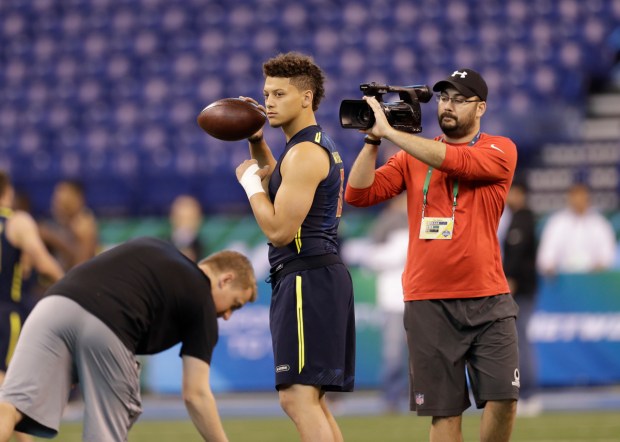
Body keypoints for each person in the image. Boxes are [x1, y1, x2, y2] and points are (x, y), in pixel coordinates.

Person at [345, 68, 519, 441]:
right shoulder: (411, 157)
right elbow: (359, 194)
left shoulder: (500, 149)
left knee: (504, 399)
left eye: (459, 98)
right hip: (429, 302)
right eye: (443, 97)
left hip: (488, 297)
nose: (448, 105)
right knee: (444, 413)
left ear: (481, 107)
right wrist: (373, 142)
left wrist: (394, 134)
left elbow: (456, 162)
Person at [0, 237, 258, 442]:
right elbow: (196, 394)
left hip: (53, 306)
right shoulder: (202, 300)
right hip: (107, 324)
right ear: (226, 279)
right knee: (106, 434)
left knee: (9, 406)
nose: (226, 316)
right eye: (234, 305)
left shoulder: (157, 247)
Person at [234, 51, 355, 442]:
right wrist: (257, 144)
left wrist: (249, 183)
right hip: (316, 275)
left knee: (298, 398)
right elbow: (279, 182)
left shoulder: (304, 153)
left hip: (307, 277)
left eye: (279, 94)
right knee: (311, 399)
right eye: (266, 93)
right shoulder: (305, 146)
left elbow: (280, 230)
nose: (268, 101)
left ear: (306, 98)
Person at [0, 172, 65, 442]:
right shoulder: (17, 222)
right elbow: (43, 263)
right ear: (8, 191)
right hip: (5, 314)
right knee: (9, 394)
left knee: (9, 396)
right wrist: (71, 287)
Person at [501, 182, 541, 416]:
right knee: (517, 341)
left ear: (520, 194)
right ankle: (524, 392)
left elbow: (516, 255)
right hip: (521, 289)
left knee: (520, 341)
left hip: (520, 290)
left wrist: (511, 277)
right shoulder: (515, 217)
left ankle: (528, 393)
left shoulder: (523, 219)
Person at [537, 183, 617, 275]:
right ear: (569, 199)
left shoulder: (600, 224)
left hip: (593, 279)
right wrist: (549, 266)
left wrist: (601, 266)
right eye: (575, 197)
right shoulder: (557, 223)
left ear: (588, 198)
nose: (578, 201)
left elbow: (608, 254)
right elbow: (546, 255)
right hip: (564, 279)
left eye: (582, 197)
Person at [39, 179, 99, 270]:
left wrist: (54, 239)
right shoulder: (64, 224)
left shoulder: (84, 225)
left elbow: (81, 268)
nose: (56, 204)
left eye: (62, 202)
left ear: (78, 198)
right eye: (55, 200)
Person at [168, 194, 205, 262]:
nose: (185, 224)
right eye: (181, 218)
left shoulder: (203, 248)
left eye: (190, 219)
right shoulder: (162, 246)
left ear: (199, 220)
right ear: (172, 218)